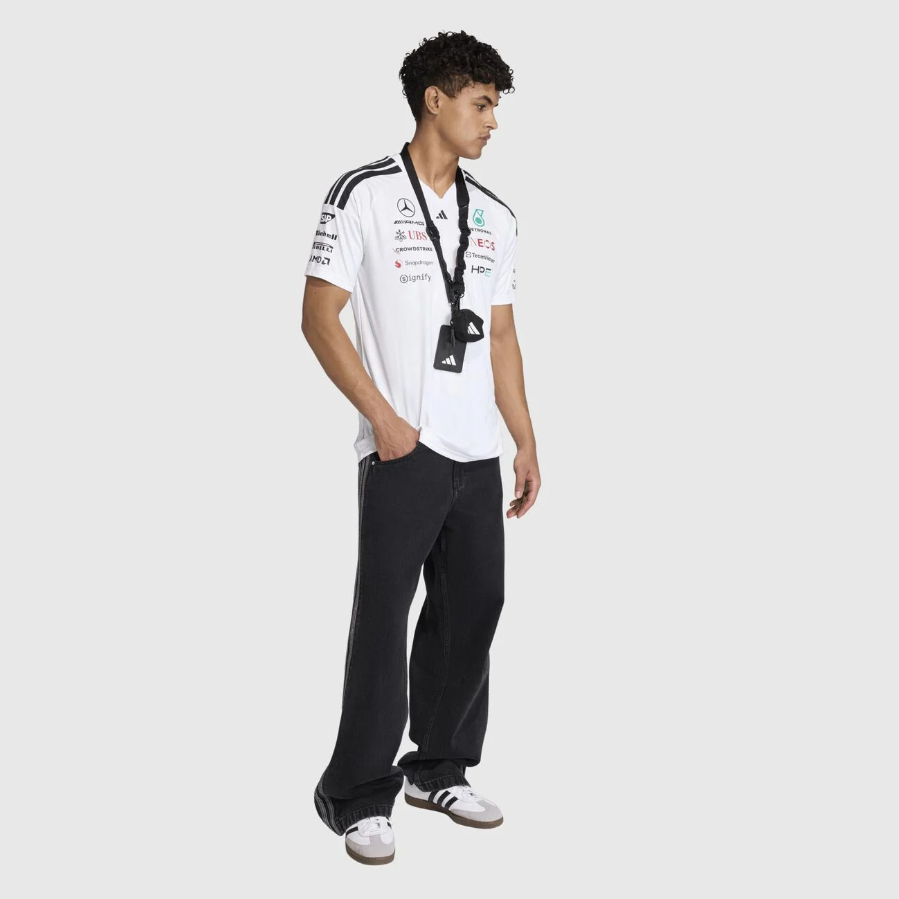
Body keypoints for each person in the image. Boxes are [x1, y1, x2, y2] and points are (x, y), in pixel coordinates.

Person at [301, 30, 540, 865]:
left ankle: (437, 768)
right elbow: (318, 317)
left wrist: (524, 438)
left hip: (477, 454)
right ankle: (356, 794)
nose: (492, 122)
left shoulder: (496, 215)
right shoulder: (362, 193)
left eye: (495, 107)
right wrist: (383, 418)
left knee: (474, 609)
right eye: (481, 104)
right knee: (382, 617)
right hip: (403, 450)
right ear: (434, 100)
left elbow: (500, 335)